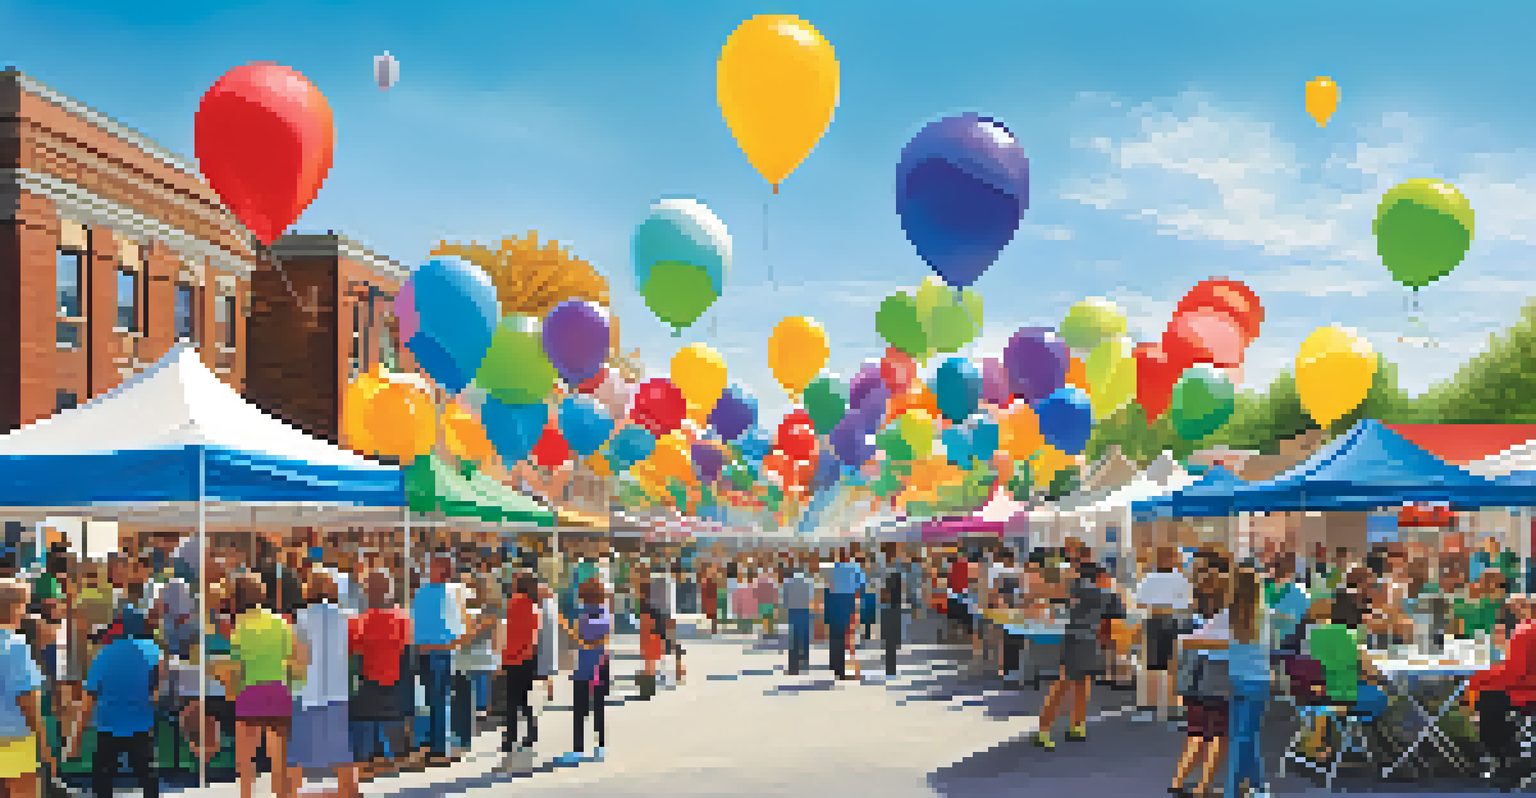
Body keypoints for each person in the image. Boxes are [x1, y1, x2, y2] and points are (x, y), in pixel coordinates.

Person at [1033, 562, 1124, 750]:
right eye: (1106, 576)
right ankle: (1045, 730)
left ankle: (1076, 725)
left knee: (1080, 683)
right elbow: (1119, 613)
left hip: (1081, 640)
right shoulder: (1100, 593)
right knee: (1066, 683)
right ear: (1099, 577)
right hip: (1080, 641)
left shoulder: (1083, 589)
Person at [231, 573, 301, 798]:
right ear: (262, 594)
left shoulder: (238, 627)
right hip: (278, 691)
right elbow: (293, 661)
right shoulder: (282, 623)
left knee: (245, 758)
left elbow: (236, 666)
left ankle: (246, 795)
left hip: (249, 691)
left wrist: (233, 694)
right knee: (279, 758)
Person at [288, 572, 357, 798]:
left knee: (298, 749)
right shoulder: (346, 616)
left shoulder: (301, 618)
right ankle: (350, 792)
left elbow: (298, 656)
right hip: (337, 689)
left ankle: (291, 793)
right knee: (341, 749)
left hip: (307, 689)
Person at [1169, 558, 1231, 797]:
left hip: (1192, 679)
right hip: (1217, 677)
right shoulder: (1227, 617)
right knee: (1218, 734)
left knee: (1195, 732)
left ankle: (1178, 780)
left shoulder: (1190, 617)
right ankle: (1202, 786)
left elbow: (1182, 651)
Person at [349, 570, 411, 780]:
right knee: (391, 718)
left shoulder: (360, 620)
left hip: (368, 676)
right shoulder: (403, 617)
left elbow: (352, 647)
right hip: (394, 677)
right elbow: (405, 646)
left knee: (365, 719)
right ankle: (389, 759)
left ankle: (365, 762)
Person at [411, 551, 472, 765]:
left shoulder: (446, 592)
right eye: (445, 566)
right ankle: (437, 746)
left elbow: (459, 625)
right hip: (436, 652)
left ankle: (437, 745)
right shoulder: (428, 593)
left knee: (438, 700)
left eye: (450, 566)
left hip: (442, 651)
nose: (449, 570)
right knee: (437, 700)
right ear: (433, 567)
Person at [0, 580, 50, 798]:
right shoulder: (16, 645)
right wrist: (44, 743)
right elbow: (29, 700)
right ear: (14, 608)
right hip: (14, 740)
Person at [556, 579, 612, 766]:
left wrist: (567, 628)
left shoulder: (583, 613)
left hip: (584, 668)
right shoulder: (605, 611)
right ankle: (600, 747)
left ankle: (578, 749)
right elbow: (603, 638)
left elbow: (579, 639)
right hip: (601, 666)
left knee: (580, 710)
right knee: (598, 707)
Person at [1226, 563, 1269, 798]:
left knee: (1240, 738)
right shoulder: (1265, 615)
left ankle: (1255, 788)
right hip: (1259, 682)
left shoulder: (1227, 615)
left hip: (1235, 681)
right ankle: (1248, 789)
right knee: (1248, 737)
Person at [1136, 545, 1193, 721]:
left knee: (1155, 666)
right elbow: (1186, 603)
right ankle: (1171, 707)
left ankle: (1152, 708)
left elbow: (1140, 603)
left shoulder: (1149, 578)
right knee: (1170, 665)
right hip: (1171, 622)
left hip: (1157, 621)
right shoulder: (1180, 579)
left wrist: (1157, 607)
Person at [498, 575, 541, 770]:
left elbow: (504, 629)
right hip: (527, 657)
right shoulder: (534, 607)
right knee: (525, 697)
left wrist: (502, 655)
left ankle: (510, 738)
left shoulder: (510, 603)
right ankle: (531, 732)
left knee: (510, 700)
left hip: (510, 657)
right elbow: (533, 636)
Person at [826, 549, 866, 680]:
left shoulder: (832, 569)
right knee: (846, 635)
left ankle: (835, 666)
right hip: (847, 601)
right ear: (848, 557)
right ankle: (842, 670)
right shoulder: (854, 568)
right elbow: (862, 585)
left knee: (835, 634)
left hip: (833, 601)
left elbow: (827, 588)